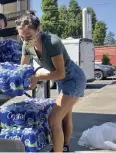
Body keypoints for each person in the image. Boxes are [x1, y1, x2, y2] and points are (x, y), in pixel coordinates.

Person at [16, 10, 87, 152]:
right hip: (62, 81)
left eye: (29, 36)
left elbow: (60, 73)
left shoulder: (52, 42)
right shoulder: (27, 45)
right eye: (22, 37)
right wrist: (19, 81)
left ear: (38, 30)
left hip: (73, 79)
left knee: (53, 119)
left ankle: (58, 150)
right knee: (65, 116)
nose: (26, 40)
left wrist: (37, 77)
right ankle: (64, 147)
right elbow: (22, 68)